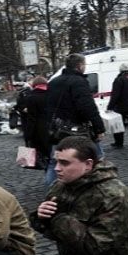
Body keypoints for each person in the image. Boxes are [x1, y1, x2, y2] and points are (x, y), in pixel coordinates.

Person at [44, 53, 106, 188]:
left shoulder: (54, 82)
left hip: (57, 129)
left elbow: (48, 106)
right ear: (79, 66)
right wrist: (99, 128)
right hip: (77, 130)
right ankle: (94, 188)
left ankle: (53, 192)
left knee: (55, 162)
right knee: (96, 158)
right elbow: (88, 107)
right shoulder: (79, 82)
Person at [19, 76, 51, 169]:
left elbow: (31, 118)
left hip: (39, 130)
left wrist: (28, 134)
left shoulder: (31, 97)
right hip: (52, 128)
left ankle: (47, 174)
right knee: (52, 156)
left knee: (43, 157)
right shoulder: (52, 94)